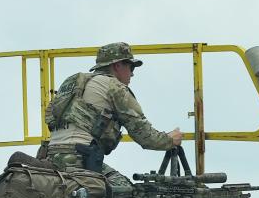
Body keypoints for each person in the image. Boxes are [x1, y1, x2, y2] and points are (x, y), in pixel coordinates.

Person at [44, 42, 182, 190]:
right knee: (130, 195)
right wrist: (169, 140)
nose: (132, 73)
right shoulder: (114, 87)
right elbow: (145, 136)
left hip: (51, 155)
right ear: (117, 66)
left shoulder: (73, 82)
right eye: (131, 67)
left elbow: (50, 116)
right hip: (78, 159)